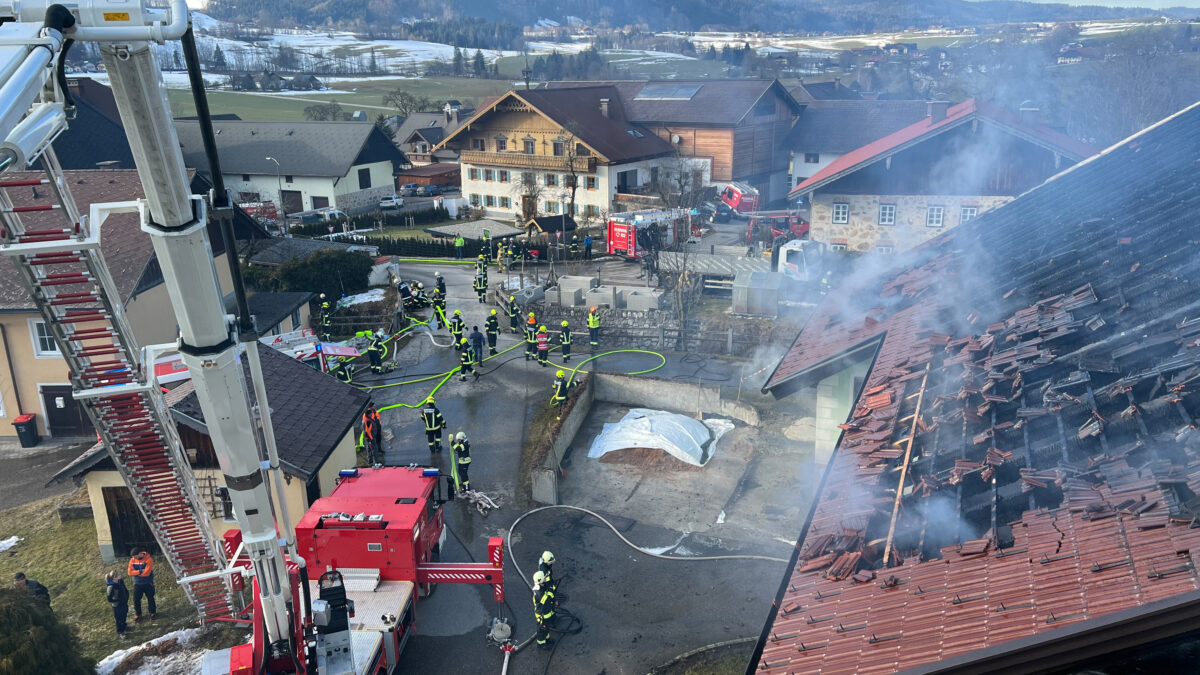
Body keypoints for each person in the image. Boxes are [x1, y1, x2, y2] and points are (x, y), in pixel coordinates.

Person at [127, 548, 156, 621]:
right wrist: (140, 571)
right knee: (136, 599)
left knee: (150, 598)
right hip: (137, 584)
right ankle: (138, 614)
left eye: (135, 556)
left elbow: (147, 573)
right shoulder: (132, 560)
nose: (134, 558)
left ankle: (152, 612)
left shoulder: (149, 559)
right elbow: (129, 572)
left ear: (140, 554)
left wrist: (135, 572)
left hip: (148, 583)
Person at [533, 571, 556, 649]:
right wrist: (550, 591)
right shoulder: (538, 592)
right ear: (540, 581)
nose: (546, 579)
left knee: (546, 627)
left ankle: (547, 638)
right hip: (542, 615)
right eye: (544, 578)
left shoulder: (542, 586)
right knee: (542, 629)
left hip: (547, 613)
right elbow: (546, 600)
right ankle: (541, 644)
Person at [106, 570, 131, 639]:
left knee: (124, 615)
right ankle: (120, 632)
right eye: (118, 575)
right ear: (114, 577)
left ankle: (124, 626)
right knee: (118, 619)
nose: (120, 575)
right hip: (117, 606)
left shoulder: (120, 581)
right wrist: (118, 600)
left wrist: (127, 596)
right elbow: (109, 599)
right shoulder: (111, 587)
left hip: (124, 603)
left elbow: (125, 589)